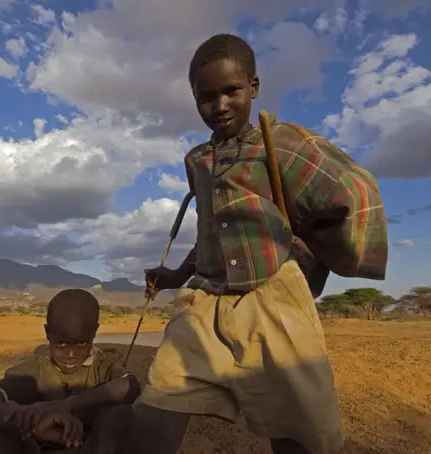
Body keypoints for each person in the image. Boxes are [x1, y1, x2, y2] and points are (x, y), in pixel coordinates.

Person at [125, 34, 388, 454]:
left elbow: (353, 191)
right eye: (206, 96)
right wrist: (178, 274)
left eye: (231, 90)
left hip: (274, 301)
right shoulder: (198, 160)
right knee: (155, 410)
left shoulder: (280, 143)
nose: (220, 105)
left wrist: (317, 252)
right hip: (206, 303)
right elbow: (212, 227)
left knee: (301, 433)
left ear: (254, 87)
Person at [0, 288, 140, 454]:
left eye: (81, 344)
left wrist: (68, 404)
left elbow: (131, 385)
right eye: (61, 344)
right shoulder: (33, 371)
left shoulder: (104, 366)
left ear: (94, 333)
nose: (71, 354)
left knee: (119, 415)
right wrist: (28, 420)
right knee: (1, 430)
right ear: (47, 333)